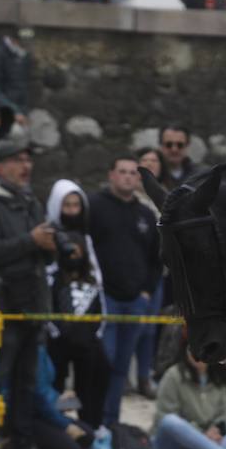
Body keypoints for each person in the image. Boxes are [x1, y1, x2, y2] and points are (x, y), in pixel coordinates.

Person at [0, 137, 61, 449]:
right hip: (1, 307)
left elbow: (35, 249)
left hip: (32, 304)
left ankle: (22, 444)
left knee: (26, 380)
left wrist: (48, 245)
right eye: (17, 159)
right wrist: (30, 241)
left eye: (28, 159)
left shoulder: (30, 201)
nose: (26, 166)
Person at [88, 156, 161, 426]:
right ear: (111, 175)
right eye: (123, 172)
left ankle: (111, 422)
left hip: (136, 300)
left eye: (133, 173)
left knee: (121, 367)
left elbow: (157, 258)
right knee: (103, 363)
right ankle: (94, 421)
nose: (128, 177)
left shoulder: (145, 214)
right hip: (106, 299)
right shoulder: (95, 206)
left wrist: (146, 292)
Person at [46, 179, 110, 430]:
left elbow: (98, 285)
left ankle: (90, 428)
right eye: (67, 205)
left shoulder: (87, 237)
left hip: (87, 332)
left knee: (97, 374)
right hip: (57, 331)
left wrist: (97, 330)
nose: (72, 211)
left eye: (76, 205)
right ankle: (56, 428)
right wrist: (54, 330)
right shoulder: (47, 236)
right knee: (55, 381)